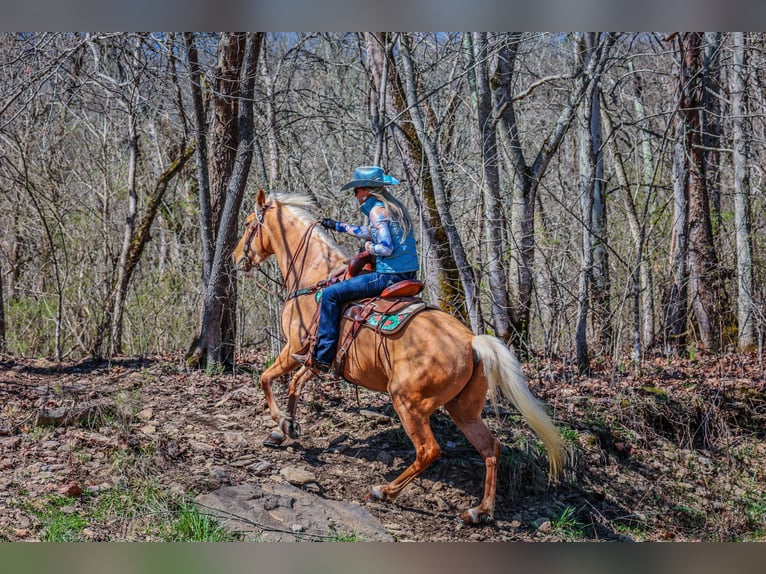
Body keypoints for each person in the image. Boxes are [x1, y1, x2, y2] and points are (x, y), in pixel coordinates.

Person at [292, 165, 419, 374]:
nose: (355, 195)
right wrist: (336, 226)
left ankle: (322, 357)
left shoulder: (377, 211)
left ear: (366, 190)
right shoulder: (392, 208)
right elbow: (367, 231)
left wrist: (369, 248)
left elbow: (385, 247)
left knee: (331, 294)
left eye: (356, 190)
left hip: (388, 275)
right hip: (406, 273)